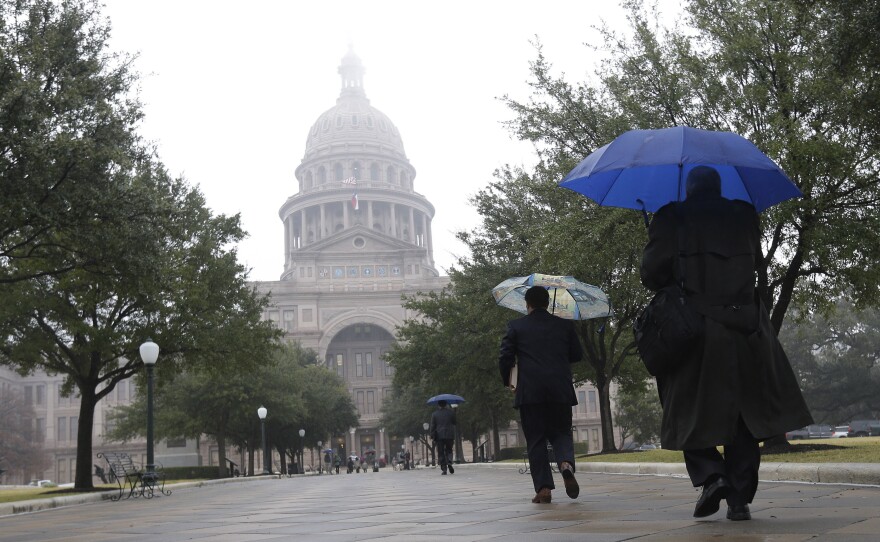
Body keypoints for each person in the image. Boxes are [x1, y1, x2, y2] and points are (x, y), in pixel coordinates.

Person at [640, 165, 813, 521]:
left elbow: (651, 275)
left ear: (688, 189)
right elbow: (754, 263)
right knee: (743, 415)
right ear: (720, 187)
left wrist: (660, 231)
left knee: (687, 408)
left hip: (696, 330)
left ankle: (711, 475)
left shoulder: (671, 217)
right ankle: (738, 498)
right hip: (746, 328)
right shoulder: (745, 215)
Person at [498, 286, 584, 503]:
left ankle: (544, 489)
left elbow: (505, 356)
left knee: (536, 439)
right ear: (547, 303)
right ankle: (565, 463)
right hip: (559, 389)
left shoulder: (516, 326)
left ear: (527, 304)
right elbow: (577, 354)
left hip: (531, 392)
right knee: (562, 433)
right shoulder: (564, 325)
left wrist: (508, 380)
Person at [429, 400, 457, 475]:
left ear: (438, 405)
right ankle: (450, 461)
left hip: (439, 435)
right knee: (449, 450)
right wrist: (454, 411)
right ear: (446, 404)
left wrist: (432, 435)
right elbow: (454, 422)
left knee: (441, 452)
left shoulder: (434, 414)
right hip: (449, 435)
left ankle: (444, 469)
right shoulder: (451, 412)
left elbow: (433, 425)